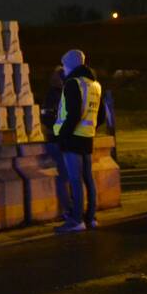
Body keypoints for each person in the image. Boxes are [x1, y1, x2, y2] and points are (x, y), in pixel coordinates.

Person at [54, 49, 105, 233]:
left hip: (72, 139)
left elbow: (73, 113)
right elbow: (101, 117)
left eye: (65, 66)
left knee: (75, 180)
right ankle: (90, 217)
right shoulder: (95, 85)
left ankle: (76, 220)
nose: (64, 70)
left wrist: (63, 136)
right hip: (87, 137)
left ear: (70, 66)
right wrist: (89, 128)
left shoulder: (72, 84)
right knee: (88, 178)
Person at [40, 65, 72, 222]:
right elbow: (47, 116)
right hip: (60, 140)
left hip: (59, 139)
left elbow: (46, 116)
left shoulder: (55, 93)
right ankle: (68, 210)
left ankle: (69, 209)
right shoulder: (56, 94)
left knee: (66, 176)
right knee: (66, 176)